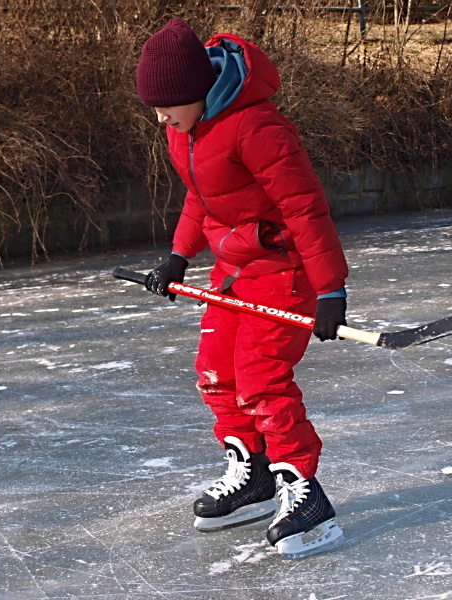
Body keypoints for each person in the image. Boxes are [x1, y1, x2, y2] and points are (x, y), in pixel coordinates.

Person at [136, 17, 349, 559]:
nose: (160, 118)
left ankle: (305, 493)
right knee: (215, 372)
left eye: (166, 105)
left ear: (197, 91)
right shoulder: (185, 128)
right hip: (233, 271)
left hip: (284, 273)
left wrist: (330, 290)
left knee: (261, 380)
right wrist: (179, 255)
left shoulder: (257, 128)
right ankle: (253, 474)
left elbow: (304, 207)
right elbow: (201, 196)